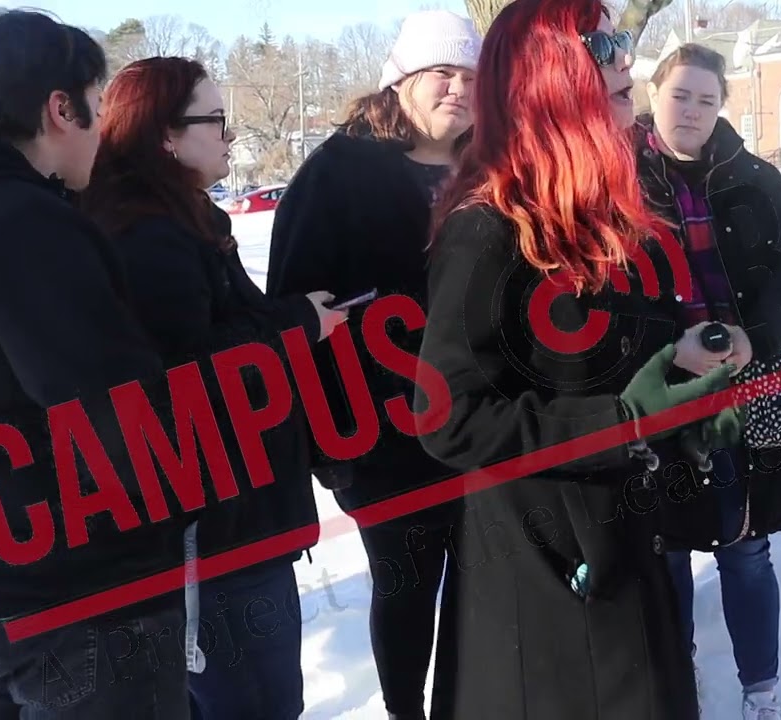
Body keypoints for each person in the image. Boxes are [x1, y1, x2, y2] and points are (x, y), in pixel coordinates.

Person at [417, 0, 743, 717]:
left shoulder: (613, 215)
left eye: (624, 37)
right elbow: (449, 418)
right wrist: (622, 422)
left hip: (629, 552)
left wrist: (680, 412)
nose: (627, 56)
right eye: (603, 43)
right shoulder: (486, 228)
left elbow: (629, 375)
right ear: (548, 78)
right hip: (543, 592)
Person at [78, 56, 346, 720]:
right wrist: (298, 322)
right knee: (258, 702)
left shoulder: (183, 221)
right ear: (165, 135)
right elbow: (191, 375)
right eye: (216, 120)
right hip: (217, 536)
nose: (230, 136)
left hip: (233, 524)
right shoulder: (151, 239)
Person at [0, 11, 211, 718]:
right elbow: (109, 409)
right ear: (59, 107)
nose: (103, 125)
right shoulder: (24, 223)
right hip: (81, 598)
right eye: (97, 103)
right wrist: (176, 507)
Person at [264, 10, 480, 718]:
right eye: (441, 73)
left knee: (484, 583)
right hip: (384, 437)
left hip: (489, 423)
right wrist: (334, 446)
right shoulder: (338, 173)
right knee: (408, 582)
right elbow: (292, 309)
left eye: (470, 76)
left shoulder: (489, 164)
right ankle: (405, 710)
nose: (458, 88)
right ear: (400, 82)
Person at [634, 43, 781, 720]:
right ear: (652, 93)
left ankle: (762, 691)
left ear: (723, 106)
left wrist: (758, 336)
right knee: (665, 543)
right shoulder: (614, 178)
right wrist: (662, 347)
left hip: (743, 383)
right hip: (659, 387)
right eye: (679, 95)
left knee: (746, 546)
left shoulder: (753, 177)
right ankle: (676, 671)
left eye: (706, 99)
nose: (690, 111)